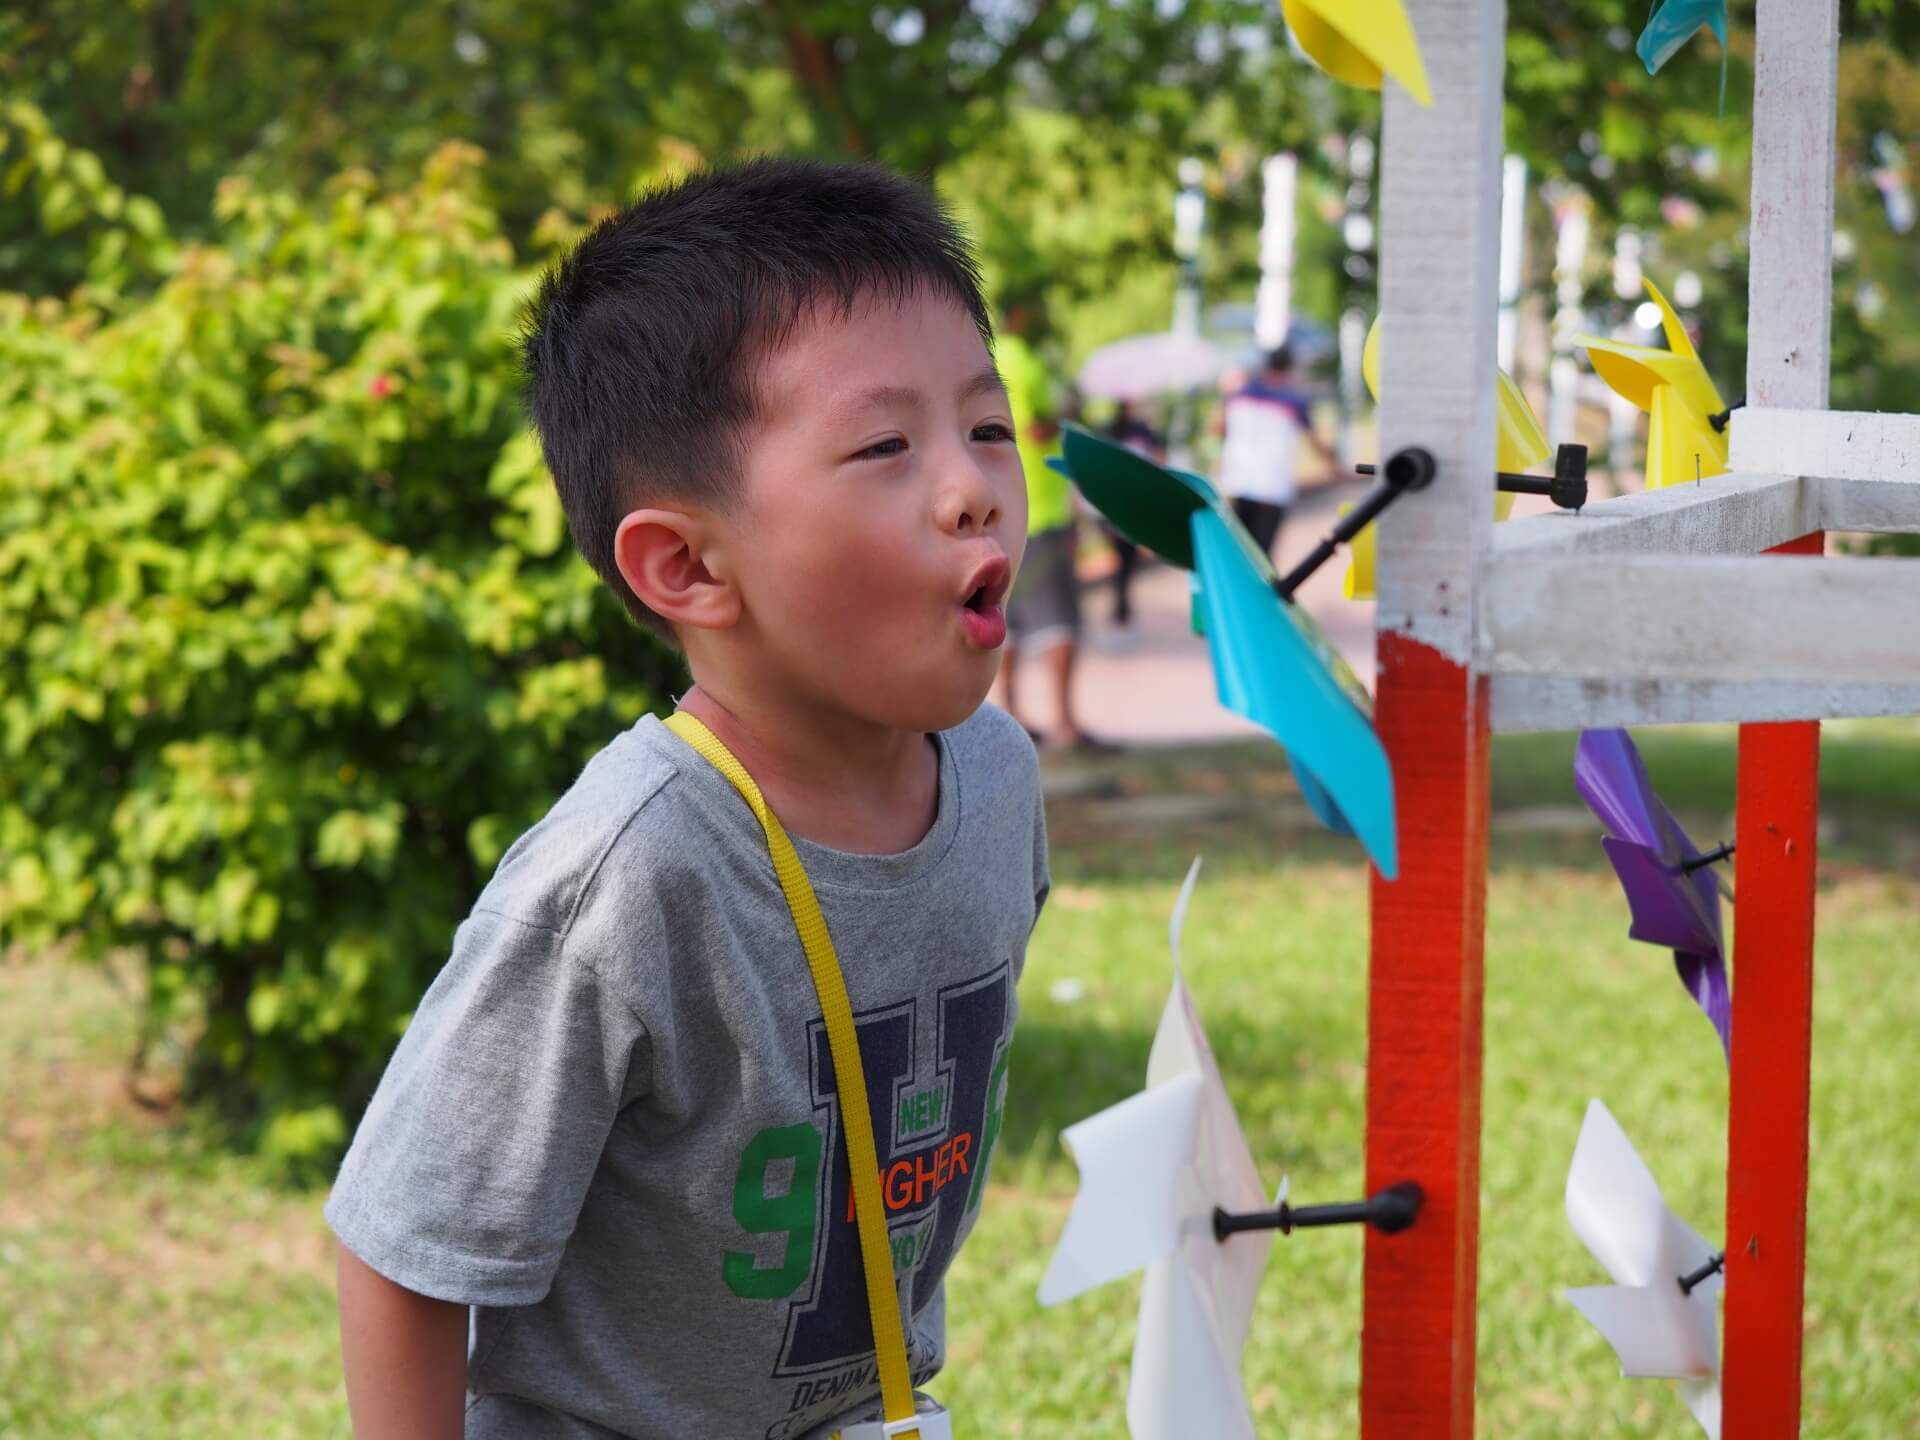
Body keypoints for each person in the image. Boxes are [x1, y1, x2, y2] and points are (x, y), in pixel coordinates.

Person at [325, 159, 1049, 1440]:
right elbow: (404, 1245)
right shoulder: (624, 876)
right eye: (887, 445)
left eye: (987, 425)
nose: (972, 485)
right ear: (689, 566)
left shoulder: (997, 782)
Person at [994, 303, 1107, 751]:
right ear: (1020, 315)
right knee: (1059, 617)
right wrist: (1068, 413)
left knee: (1006, 620)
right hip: (1040, 505)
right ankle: (1064, 721)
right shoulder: (1025, 362)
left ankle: (1011, 715)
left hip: (1002, 510)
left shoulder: (981, 355)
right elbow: (1034, 429)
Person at [1212, 343, 1338, 559]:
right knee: (1262, 555)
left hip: (1239, 478)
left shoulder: (1239, 394)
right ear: (1289, 369)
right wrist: (1333, 464)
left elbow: (1217, 428)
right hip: (1273, 484)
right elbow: (1314, 442)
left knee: (1240, 549)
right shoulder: (1293, 401)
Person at [1100, 400, 1162, 627]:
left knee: (1122, 560)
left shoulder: (1108, 431)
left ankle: (1121, 606)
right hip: (1130, 505)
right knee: (1125, 561)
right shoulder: (1142, 431)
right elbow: (1156, 461)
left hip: (1114, 505)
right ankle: (1121, 607)